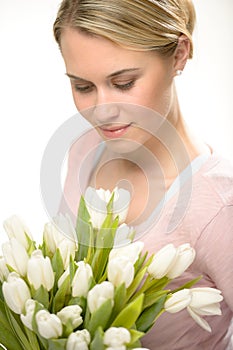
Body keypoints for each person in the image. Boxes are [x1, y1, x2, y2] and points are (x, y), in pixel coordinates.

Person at [53, 0, 233, 348]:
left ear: (179, 54)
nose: (102, 111)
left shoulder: (218, 208)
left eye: (123, 83)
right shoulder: (84, 149)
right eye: (83, 87)